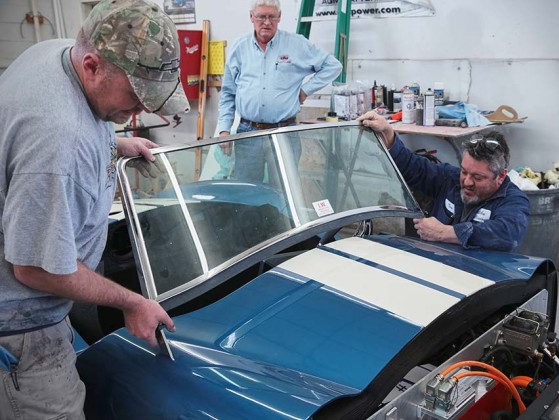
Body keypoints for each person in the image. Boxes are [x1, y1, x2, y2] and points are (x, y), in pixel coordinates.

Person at [0, 0, 190, 418]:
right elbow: (37, 268)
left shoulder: (55, 52)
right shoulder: (54, 140)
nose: (141, 111)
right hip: (23, 331)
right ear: (91, 65)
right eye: (136, 96)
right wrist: (132, 302)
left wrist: (116, 143)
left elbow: (75, 121)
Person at [358, 111, 529, 252]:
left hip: (480, 277)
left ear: (500, 176)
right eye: (464, 171)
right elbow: (414, 166)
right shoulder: (450, 179)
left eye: (478, 177)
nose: (467, 182)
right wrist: (388, 136)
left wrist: (444, 233)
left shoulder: (514, 201)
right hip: (438, 267)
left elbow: (508, 234)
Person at [217, 0, 342, 182]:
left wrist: (306, 90)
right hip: (247, 133)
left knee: (284, 192)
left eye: (272, 17)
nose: (267, 22)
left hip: (284, 133)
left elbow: (333, 66)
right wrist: (224, 130)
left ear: (279, 17)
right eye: (261, 16)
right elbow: (228, 93)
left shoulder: (296, 44)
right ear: (251, 17)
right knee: (246, 193)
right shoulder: (239, 47)